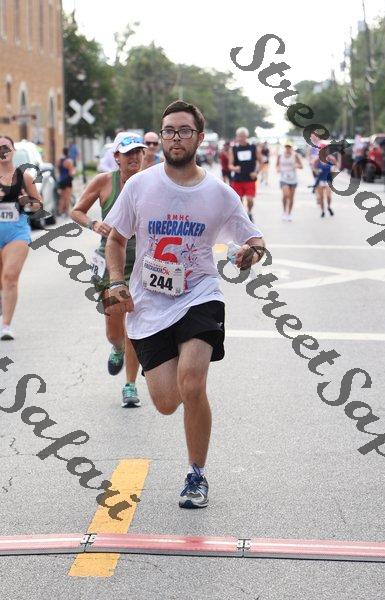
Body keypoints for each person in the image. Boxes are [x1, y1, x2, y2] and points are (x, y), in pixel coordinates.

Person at [104, 100, 265, 508]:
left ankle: (197, 475)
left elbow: (254, 238)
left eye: (184, 131)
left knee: (192, 383)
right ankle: (167, 363)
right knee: (165, 402)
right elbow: (116, 238)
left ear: (199, 137)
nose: (176, 138)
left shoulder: (219, 193)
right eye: (169, 131)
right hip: (149, 303)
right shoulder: (139, 186)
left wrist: (251, 252)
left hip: (199, 294)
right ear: (161, 138)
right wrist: (117, 280)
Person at [71, 132, 146, 407]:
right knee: (115, 330)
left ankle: (130, 385)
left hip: (143, 264)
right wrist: (93, 224)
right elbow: (76, 211)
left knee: (135, 326)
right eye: (128, 153)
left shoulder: (153, 181)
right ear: (116, 157)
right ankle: (117, 347)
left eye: (138, 152)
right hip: (111, 263)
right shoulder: (104, 182)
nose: (134, 157)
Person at [0, 135, 42, 340]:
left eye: (6, 147)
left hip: (17, 232)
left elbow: (38, 205)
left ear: (13, 150)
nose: (3, 151)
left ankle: (6, 325)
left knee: (10, 277)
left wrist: (26, 201)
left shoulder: (23, 176)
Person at [228, 127, 262, 222]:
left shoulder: (253, 148)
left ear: (246, 136)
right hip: (238, 179)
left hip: (250, 178)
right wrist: (235, 168)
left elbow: (261, 161)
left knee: (250, 199)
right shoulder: (234, 149)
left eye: (243, 136)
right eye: (239, 136)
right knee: (239, 200)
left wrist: (256, 172)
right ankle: (242, 216)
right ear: (236, 137)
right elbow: (230, 165)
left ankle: (249, 212)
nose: (241, 138)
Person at [277, 141, 303, 221]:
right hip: (283, 178)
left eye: (289, 147)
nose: (288, 148)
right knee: (286, 195)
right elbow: (277, 165)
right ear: (285, 147)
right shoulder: (280, 155)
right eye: (286, 147)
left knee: (291, 197)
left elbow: (301, 166)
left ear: (291, 148)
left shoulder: (295, 155)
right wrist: (278, 169)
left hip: (293, 179)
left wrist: (296, 165)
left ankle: (289, 213)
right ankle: (284, 212)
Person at [313, 144, 337, 217]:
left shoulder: (331, 159)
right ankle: (323, 211)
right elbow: (314, 169)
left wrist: (332, 171)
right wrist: (317, 172)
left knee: (328, 196)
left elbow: (335, 166)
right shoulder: (317, 160)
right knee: (321, 197)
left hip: (328, 181)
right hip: (320, 180)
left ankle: (329, 207)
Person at [57, 147, 75, 216]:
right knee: (67, 197)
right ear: (68, 152)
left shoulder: (59, 161)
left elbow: (59, 170)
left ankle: (60, 211)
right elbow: (71, 173)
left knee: (62, 197)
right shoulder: (69, 161)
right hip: (67, 180)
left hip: (61, 180)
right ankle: (67, 212)